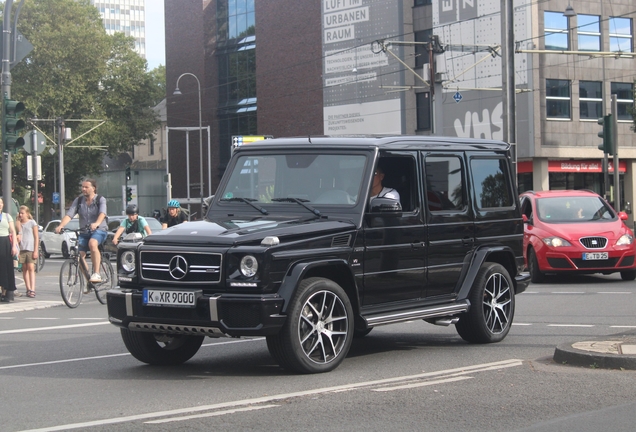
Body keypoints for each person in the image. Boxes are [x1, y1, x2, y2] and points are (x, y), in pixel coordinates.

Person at [55, 179, 108, 284]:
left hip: (99, 230)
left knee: (93, 244)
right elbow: (69, 215)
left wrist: (97, 223)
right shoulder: (79, 201)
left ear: (93, 188)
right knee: (78, 256)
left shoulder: (100, 199)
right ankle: (89, 281)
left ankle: (96, 273)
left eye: (86, 187)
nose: (83, 189)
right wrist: (60, 225)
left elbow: (102, 213)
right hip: (84, 232)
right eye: (82, 187)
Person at [16, 206, 39, 298]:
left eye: (22, 213)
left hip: (30, 248)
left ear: (27, 214)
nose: (21, 215)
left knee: (31, 267)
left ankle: (32, 289)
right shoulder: (18, 223)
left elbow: (36, 237)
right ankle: (28, 288)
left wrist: (36, 250)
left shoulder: (32, 223)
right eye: (20, 213)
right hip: (22, 248)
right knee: (24, 268)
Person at [0, 197, 19, 302]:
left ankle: (6, 292)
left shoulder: (7, 216)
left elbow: (13, 231)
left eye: (1, 203)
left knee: (6, 267)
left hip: (5, 242)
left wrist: (14, 246)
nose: (0, 205)